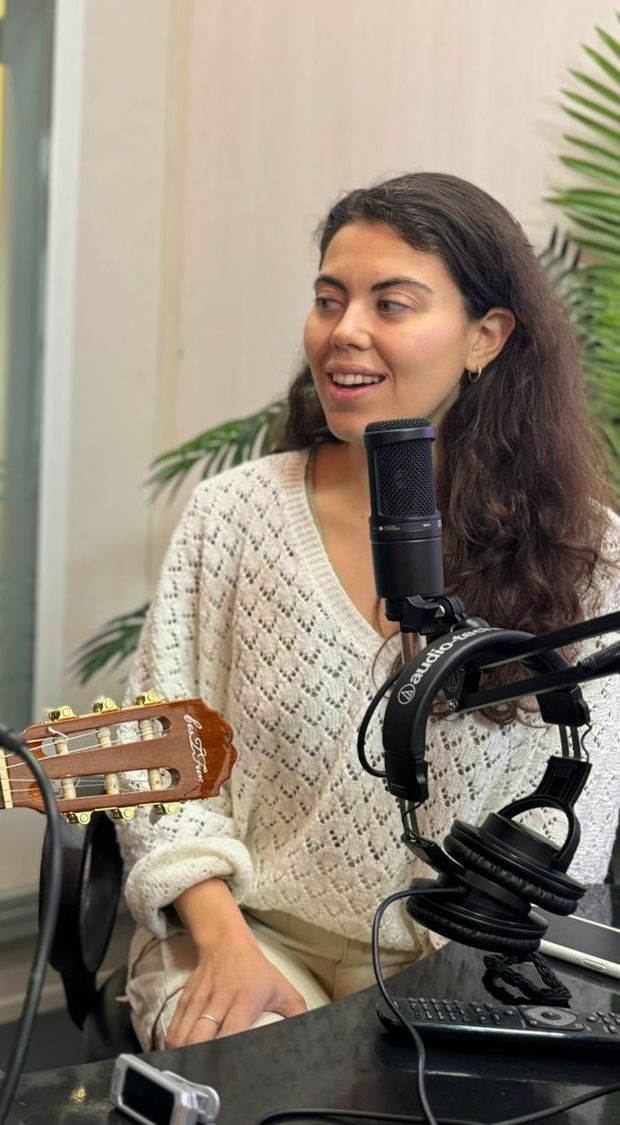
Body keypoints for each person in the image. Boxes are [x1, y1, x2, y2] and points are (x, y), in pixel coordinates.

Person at [114, 171, 620, 1052]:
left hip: (464, 960)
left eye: (392, 303)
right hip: (247, 933)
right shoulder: (235, 515)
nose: (345, 331)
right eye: (328, 299)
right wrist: (224, 940)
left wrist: (446, 1000)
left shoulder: (588, 557)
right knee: (274, 1082)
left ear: (486, 337)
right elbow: (151, 761)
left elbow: (570, 816)